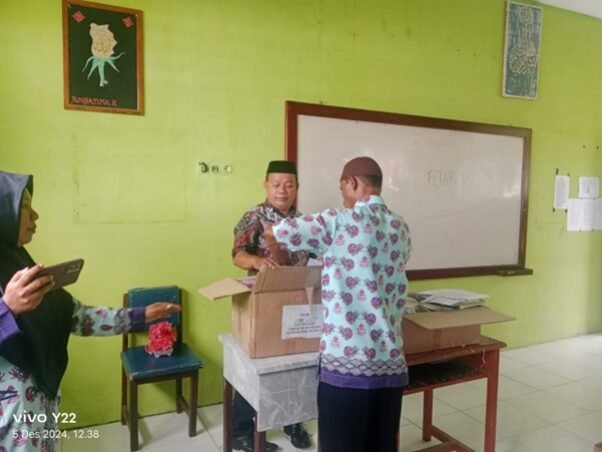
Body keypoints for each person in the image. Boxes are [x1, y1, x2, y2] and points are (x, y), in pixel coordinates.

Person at [0, 170, 181, 452]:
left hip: (41, 406)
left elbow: (78, 317)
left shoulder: (22, 268)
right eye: (24, 206)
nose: (35, 216)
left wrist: (141, 315)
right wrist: (7, 309)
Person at [267, 157, 412, 452]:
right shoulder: (400, 227)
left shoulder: (337, 221)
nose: (342, 195)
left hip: (347, 370)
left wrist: (276, 252)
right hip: (390, 365)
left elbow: (275, 233)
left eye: (341, 186)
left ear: (352, 183)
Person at [230, 160, 312, 452]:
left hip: (297, 302)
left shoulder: (304, 221)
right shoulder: (254, 216)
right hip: (262, 302)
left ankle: (292, 422)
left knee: (296, 365)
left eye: (289, 185)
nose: (282, 190)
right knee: (255, 366)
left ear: (297, 187)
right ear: (266, 185)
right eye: (276, 184)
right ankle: (241, 431)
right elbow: (237, 254)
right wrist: (256, 260)